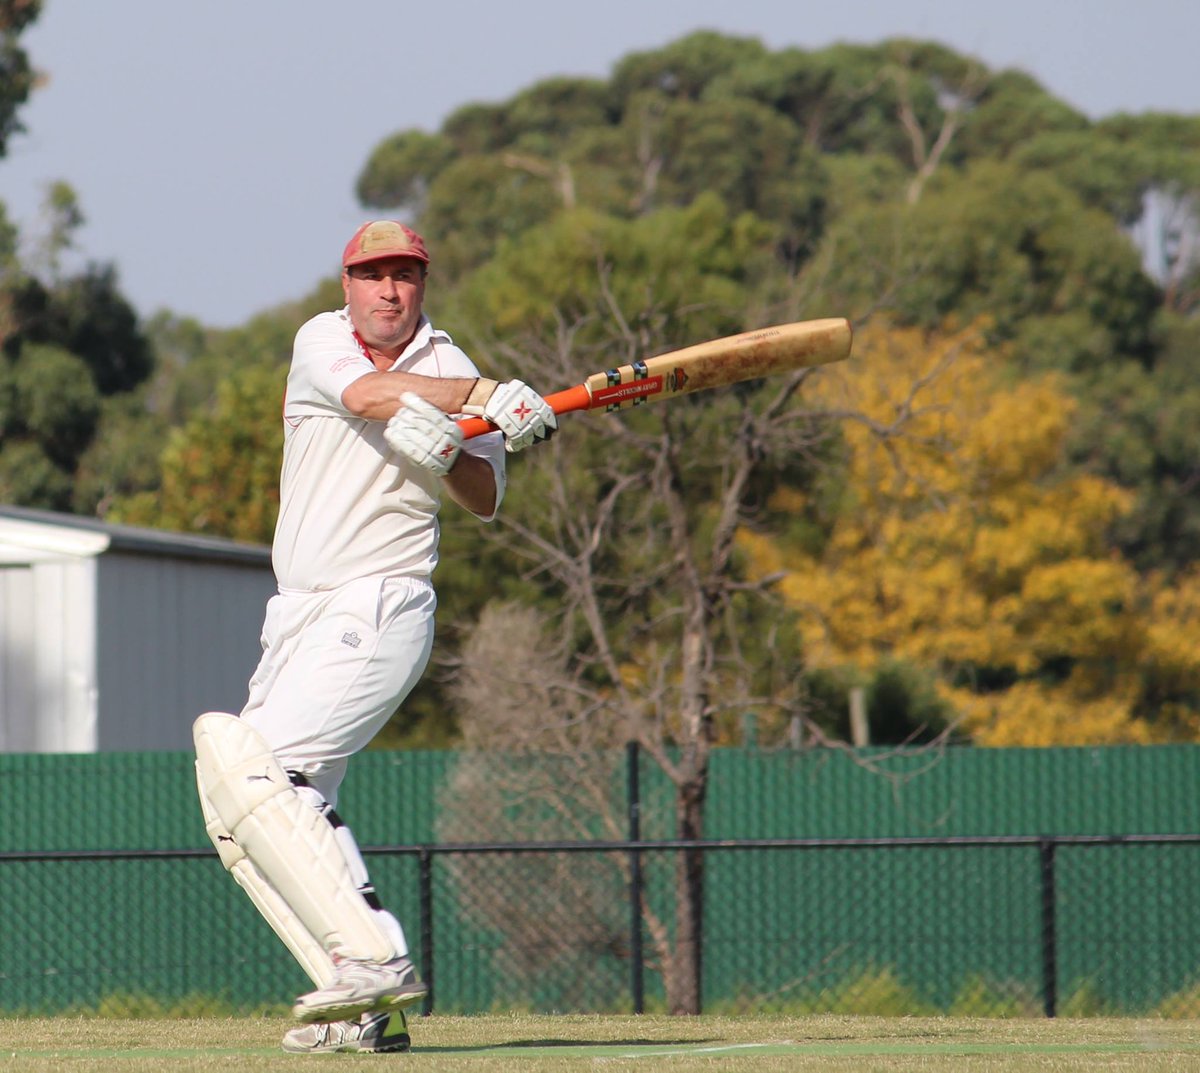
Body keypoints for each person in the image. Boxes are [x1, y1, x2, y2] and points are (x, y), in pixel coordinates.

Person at [192, 220, 556, 1055]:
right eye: (373, 274)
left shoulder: (454, 367)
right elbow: (363, 398)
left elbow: (482, 495)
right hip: (297, 614)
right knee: (239, 812)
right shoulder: (323, 340)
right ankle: (363, 1007)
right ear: (348, 282)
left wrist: (449, 454)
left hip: (380, 601)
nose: (388, 290)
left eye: (404, 275)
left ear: (422, 284)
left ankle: (373, 958)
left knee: (259, 768)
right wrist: (475, 399)